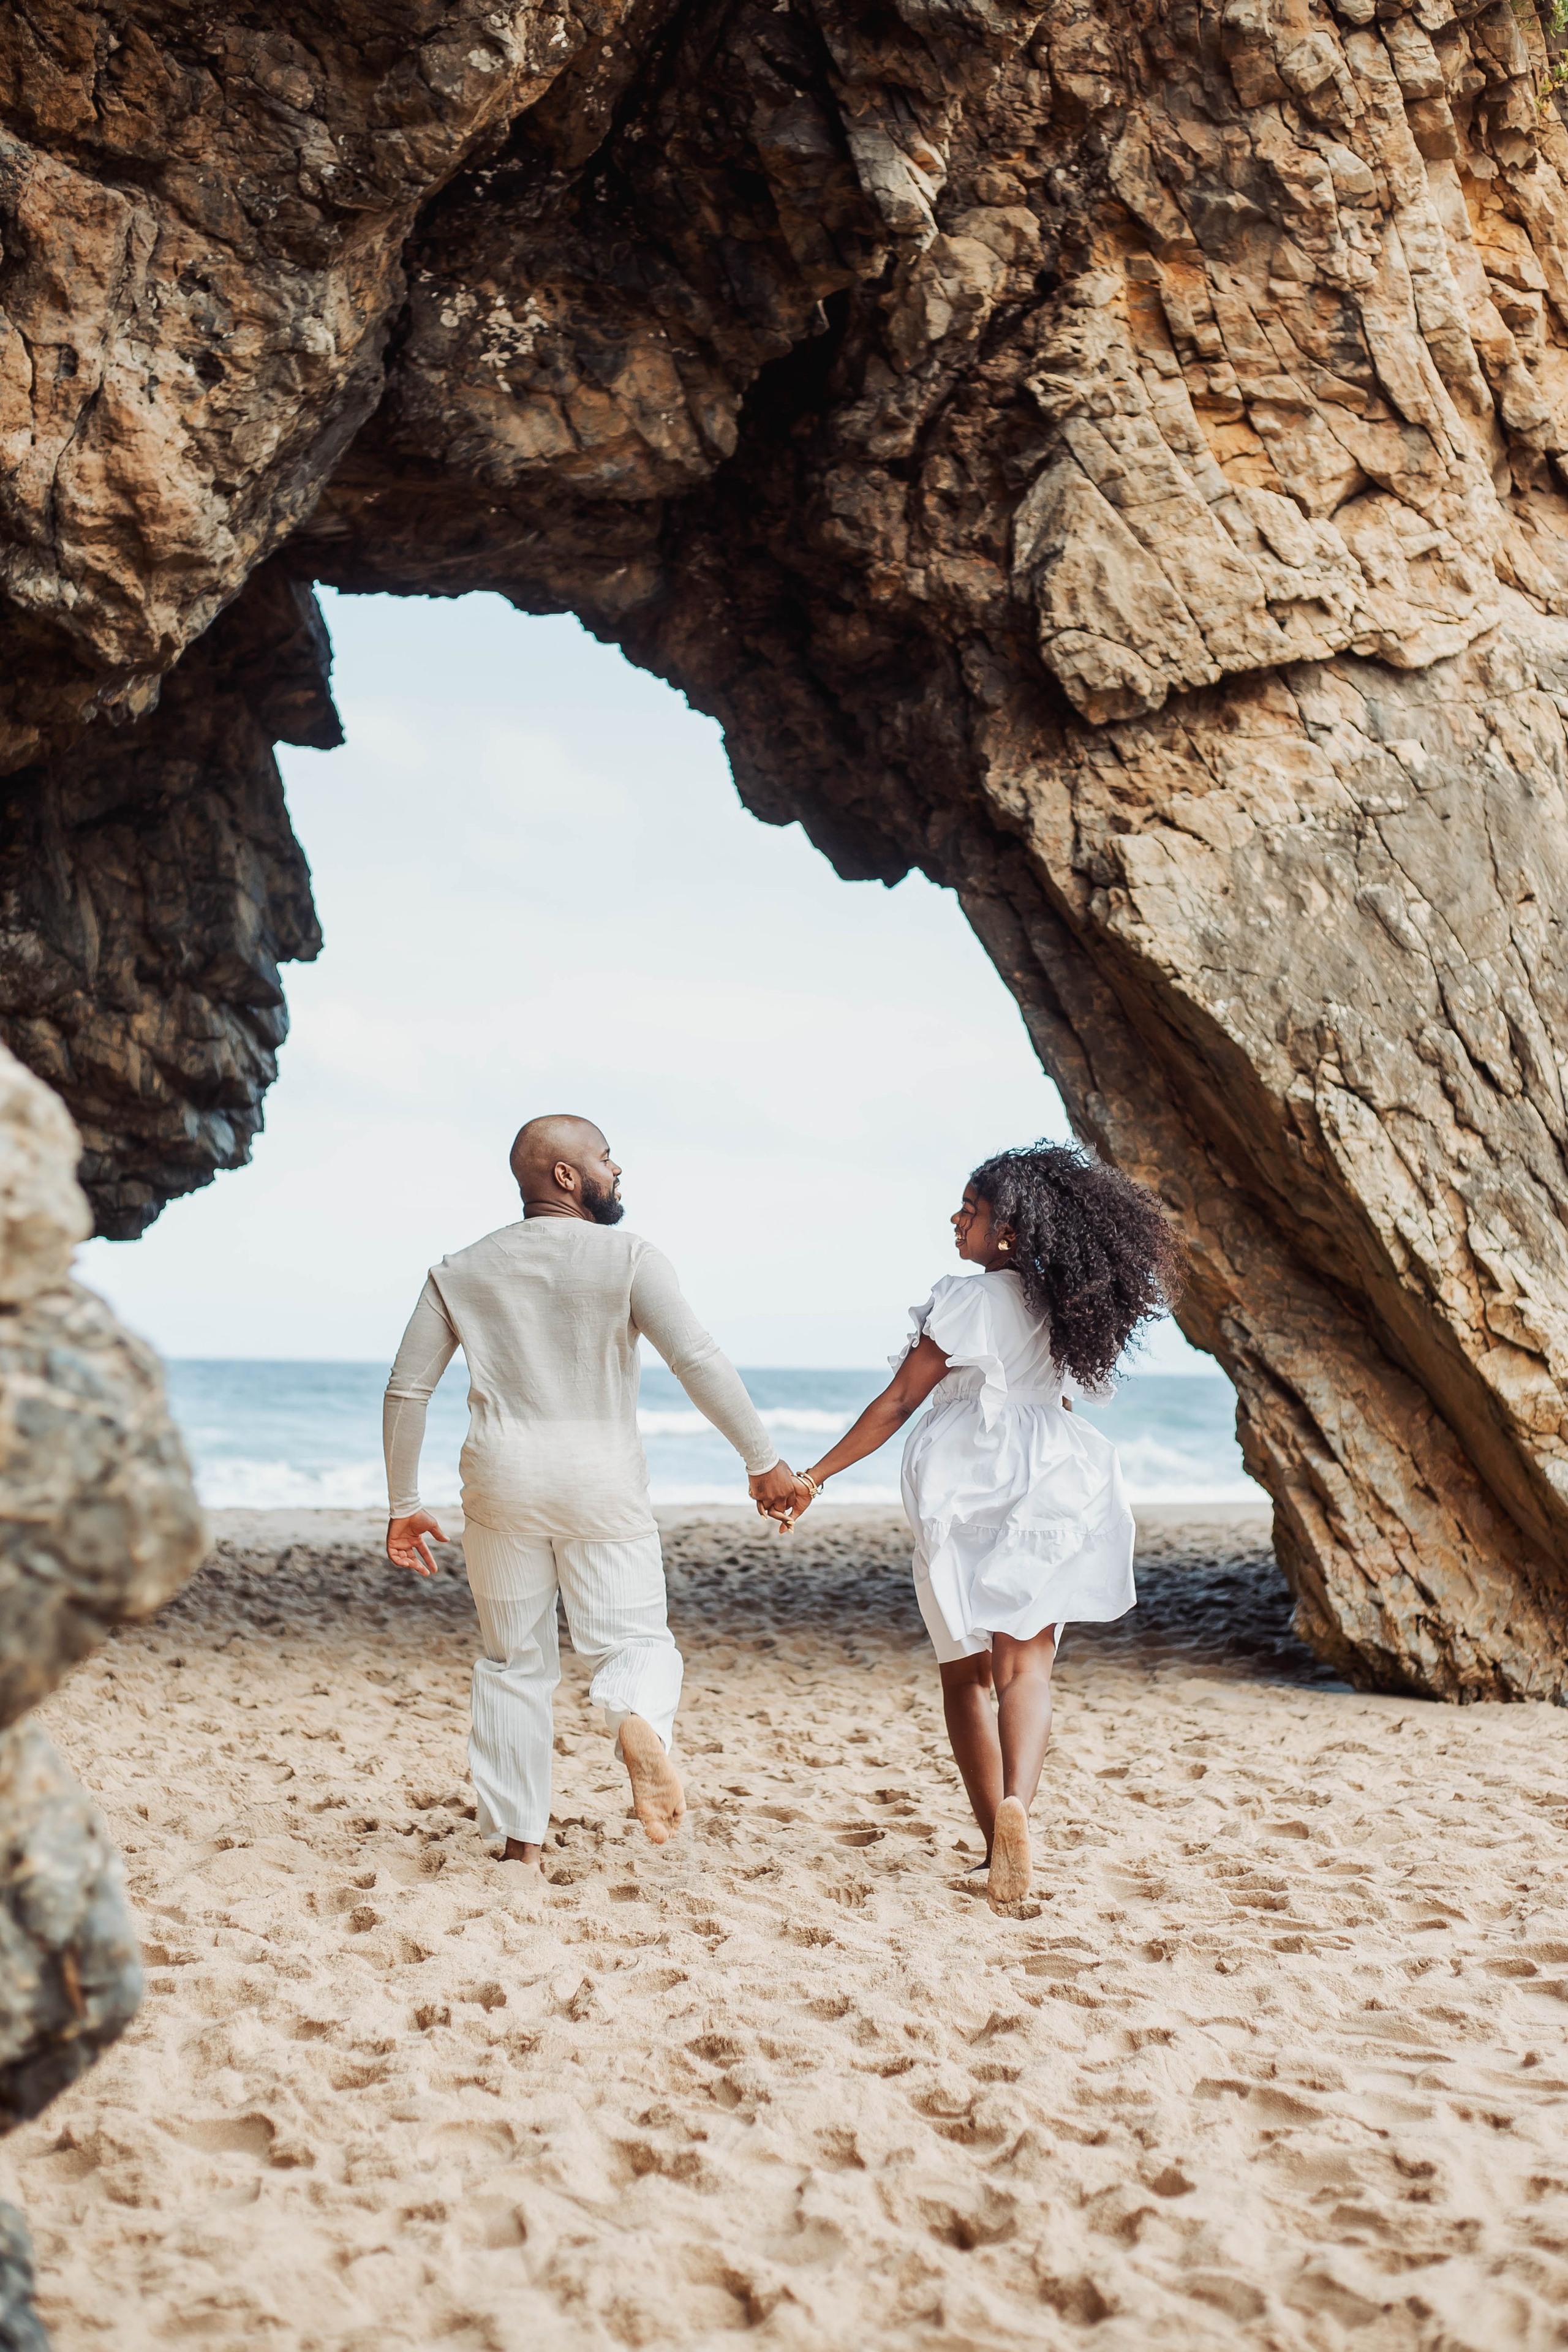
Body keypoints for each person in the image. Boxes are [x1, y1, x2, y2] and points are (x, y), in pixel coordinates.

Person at [775, 1140, 1183, 1912]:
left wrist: (813, 1477)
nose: (956, 1219)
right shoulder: (1067, 1307)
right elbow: (1052, 1401)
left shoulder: (967, 1296)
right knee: (1026, 1667)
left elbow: (898, 1402)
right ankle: (1019, 1808)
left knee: (963, 1671)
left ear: (1012, 1231)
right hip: (1054, 1476)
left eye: (972, 1209)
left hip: (966, 1481)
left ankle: (991, 1836)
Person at [383, 1115, 802, 1866]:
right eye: (606, 1158)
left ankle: (521, 1844)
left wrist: (402, 1507)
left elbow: (407, 1391)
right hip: (600, 1481)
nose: (619, 1170)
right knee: (636, 1640)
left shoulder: (460, 1269)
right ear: (568, 1177)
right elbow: (696, 1359)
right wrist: (762, 1459)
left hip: (501, 1482)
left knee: (514, 1662)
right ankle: (636, 1717)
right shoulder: (630, 1257)